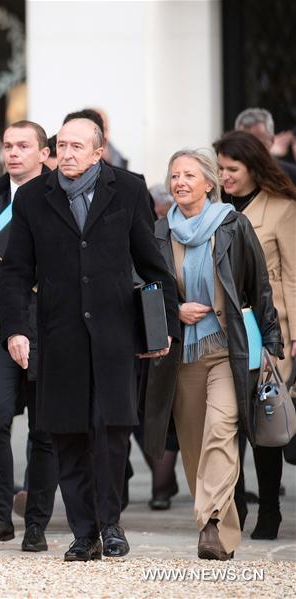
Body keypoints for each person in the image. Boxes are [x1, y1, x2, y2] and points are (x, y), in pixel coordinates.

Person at [0, 118, 179, 562]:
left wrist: (163, 327)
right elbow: (16, 270)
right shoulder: (33, 198)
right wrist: (16, 328)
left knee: (111, 431)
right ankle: (84, 533)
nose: (69, 153)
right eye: (63, 146)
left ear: (100, 152)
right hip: (59, 335)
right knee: (68, 435)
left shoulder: (129, 189)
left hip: (117, 334)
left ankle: (111, 525)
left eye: (78, 146)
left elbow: (152, 265)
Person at [144, 148, 282, 560]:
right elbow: (144, 288)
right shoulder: (157, 233)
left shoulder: (233, 225)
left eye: (189, 175)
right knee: (192, 444)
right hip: (181, 353)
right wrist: (175, 310)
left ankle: (211, 525)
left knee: (221, 431)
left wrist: (272, 345)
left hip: (228, 347)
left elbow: (259, 287)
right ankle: (219, 529)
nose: (180, 183)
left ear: (210, 183)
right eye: (174, 176)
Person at [0, 121, 58, 553]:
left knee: (45, 427)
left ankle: (36, 522)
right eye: (8, 146)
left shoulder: (62, 193)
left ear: (44, 152)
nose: (14, 153)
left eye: (24, 146)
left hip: (51, 324)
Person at [214, 131, 296, 540]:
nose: (224, 176)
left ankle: (269, 509)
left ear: (253, 168)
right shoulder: (211, 209)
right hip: (219, 331)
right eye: (220, 168)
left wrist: (294, 335)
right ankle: (233, 506)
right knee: (226, 421)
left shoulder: (281, 209)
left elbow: (295, 276)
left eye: (232, 169)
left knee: (264, 422)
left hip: (268, 330)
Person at [235, 107, 296, 185]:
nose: (250, 149)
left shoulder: (291, 175)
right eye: (244, 143)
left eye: (257, 143)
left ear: (271, 141)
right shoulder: (224, 175)